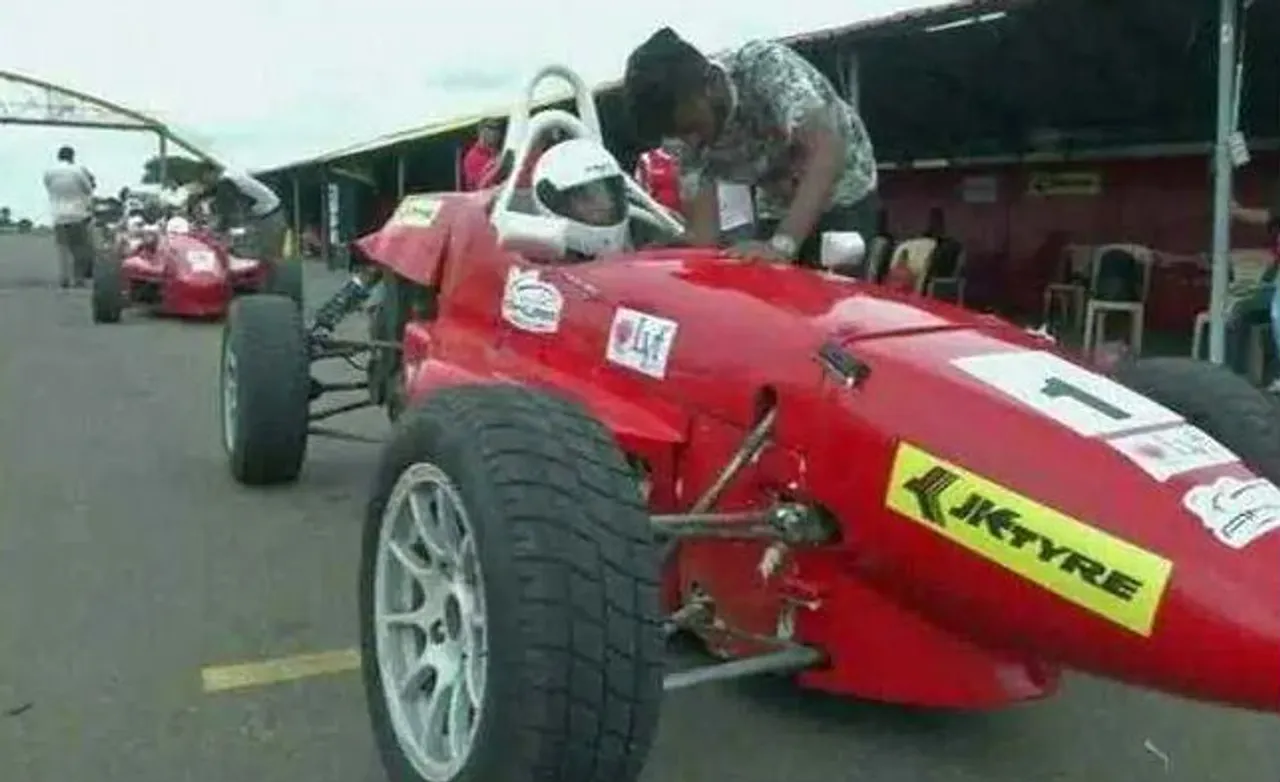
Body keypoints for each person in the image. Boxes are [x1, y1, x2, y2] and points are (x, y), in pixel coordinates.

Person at [623, 27, 879, 268]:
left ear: (712, 86)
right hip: (777, 197)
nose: (691, 144)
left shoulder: (765, 68)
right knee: (767, 285)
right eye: (677, 135)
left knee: (832, 294)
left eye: (693, 128)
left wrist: (783, 245)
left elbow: (827, 149)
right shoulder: (681, 130)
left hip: (841, 187)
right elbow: (705, 238)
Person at [531, 138, 629, 260]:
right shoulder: (534, 271)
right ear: (558, 203)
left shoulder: (644, 232)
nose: (606, 204)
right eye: (588, 197)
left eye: (610, 194)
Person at [1226, 186, 1280, 386]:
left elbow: (1262, 216)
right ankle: (1235, 375)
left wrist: (1237, 211)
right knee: (1241, 312)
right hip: (1272, 289)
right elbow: (1265, 216)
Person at [188, 162, 286, 266]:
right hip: (270, 214)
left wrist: (214, 230)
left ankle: (273, 280)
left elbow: (230, 214)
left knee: (262, 257)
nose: (203, 181)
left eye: (203, 176)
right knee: (261, 255)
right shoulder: (228, 177)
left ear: (211, 172)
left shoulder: (226, 182)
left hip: (270, 216)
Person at [42, 145, 97, 287]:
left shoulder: (49, 172)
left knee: (63, 248)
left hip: (59, 215)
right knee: (79, 248)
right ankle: (78, 279)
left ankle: (64, 279)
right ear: (72, 156)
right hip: (77, 214)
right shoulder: (78, 171)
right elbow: (88, 189)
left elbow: (48, 187)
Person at [462, 118, 503, 191]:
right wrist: (495, 167)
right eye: (491, 128)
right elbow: (479, 187)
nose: (496, 132)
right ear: (481, 130)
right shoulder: (472, 157)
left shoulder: (497, 152)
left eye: (498, 129)